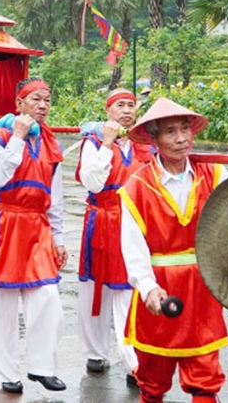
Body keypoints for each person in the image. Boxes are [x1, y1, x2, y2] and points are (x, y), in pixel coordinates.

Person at [119, 97, 228, 403]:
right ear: (153, 139)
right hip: (159, 291)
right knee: (152, 382)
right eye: (170, 131)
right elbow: (133, 247)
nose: (182, 138)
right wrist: (147, 288)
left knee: (205, 381)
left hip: (201, 292)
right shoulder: (137, 186)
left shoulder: (213, 174)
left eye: (185, 129)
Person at [0, 77, 68, 394]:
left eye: (47, 99)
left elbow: (54, 196)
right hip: (5, 221)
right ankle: (8, 373)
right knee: (2, 304)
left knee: (48, 298)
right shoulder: (0, 135)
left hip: (37, 225)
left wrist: (58, 237)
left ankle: (42, 367)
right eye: (35, 99)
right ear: (19, 104)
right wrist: (16, 138)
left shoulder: (51, 142)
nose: (42, 105)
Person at [76, 88, 153, 383]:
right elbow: (92, 182)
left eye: (131, 105)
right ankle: (96, 353)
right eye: (120, 105)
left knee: (128, 289)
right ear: (108, 111)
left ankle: (135, 361)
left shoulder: (145, 145)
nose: (126, 110)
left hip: (134, 223)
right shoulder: (93, 142)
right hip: (101, 219)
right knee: (95, 288)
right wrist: (107, 144)